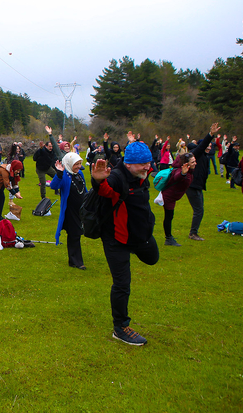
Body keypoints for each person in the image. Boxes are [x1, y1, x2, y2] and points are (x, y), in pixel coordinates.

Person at [90, 133, 159, 346]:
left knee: (153, 258)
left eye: (148, 163)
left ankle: (140, 243)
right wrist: (98, 180)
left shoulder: (141, 174)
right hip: (116, 239)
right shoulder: (117, 177)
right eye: (142, 164)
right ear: (128, 164)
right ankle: (120, 327)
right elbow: (105, 188)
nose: (147, 167)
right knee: (122, 284)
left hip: (140, 235)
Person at [50, 152, 88, 270]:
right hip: (70, 211)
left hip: (80, 210)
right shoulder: (64, 175)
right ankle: (76, 261)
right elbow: (53, 186)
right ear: (69, 164)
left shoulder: (79, 173)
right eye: (76, 164)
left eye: (79, 163)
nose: (78, 166)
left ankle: (74, 260)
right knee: (74, 234)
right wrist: (59, 173)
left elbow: (84, 190)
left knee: (77, 233)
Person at [184, 123, 221, 241]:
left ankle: (194, 232)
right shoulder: (197, 154)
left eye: (211, 145)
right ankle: (193, 234)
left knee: (200, 210)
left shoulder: (205, 156)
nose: (210, 146)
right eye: (208, 145)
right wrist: (211, 134)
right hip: (192, 186)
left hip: (198, 186)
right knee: (199, 210)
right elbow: (202, 145)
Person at [161, 153, 196, 247]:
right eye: (192, 162)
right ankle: (168, 238)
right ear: (186, 163)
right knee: (168, 217)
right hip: (169, 197)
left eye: (195, 161)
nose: (195, 163)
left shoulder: (188, 170)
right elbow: (177, 177)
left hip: (172, 196)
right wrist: (182, 174)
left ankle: (168, 237)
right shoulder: (181, 171)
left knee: (169, 217)